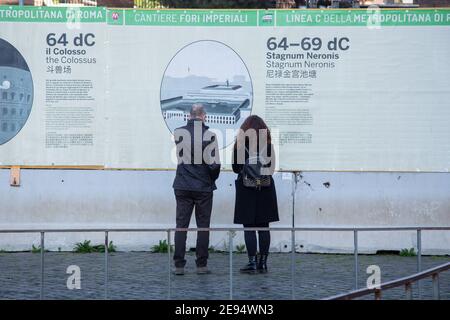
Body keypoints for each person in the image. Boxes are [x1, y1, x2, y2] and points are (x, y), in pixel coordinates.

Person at [172, 104, 221, 275]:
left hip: (182, 184)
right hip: (203, 187)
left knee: (181, 226)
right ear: (204, 116)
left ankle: (179, 265)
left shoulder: (178, 133)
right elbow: (215, 165)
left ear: (189, 116)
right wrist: (210, 179)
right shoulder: (210, 135)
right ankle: (201, 265)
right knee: (203, 226)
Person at [232, 115, 279, 274]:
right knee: (264, 228)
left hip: (246, 190)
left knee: (249, 228)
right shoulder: (268, 145)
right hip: (265, 189)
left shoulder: (240, 144)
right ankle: (263, 263)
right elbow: (271, 170)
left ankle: (252, 262)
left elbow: (235, 168)